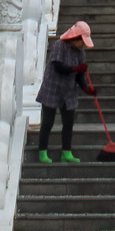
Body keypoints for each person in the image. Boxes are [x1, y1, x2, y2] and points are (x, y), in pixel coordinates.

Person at [36, 20, 94, 163]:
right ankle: (42, 152)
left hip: (69, 91)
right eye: (82, 41)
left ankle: (66, 152)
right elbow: (58, 67)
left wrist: (86, 88)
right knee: (48, 122)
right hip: (52, 88)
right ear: (76, 38)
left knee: (68, 123)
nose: (83, 45)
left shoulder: (80, 52)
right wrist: (76, 69)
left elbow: (80, 76)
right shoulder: (59, 46)